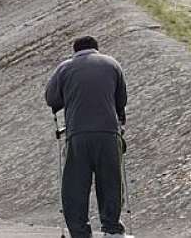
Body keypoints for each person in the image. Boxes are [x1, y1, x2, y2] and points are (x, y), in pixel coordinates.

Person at [45, 36, 128, 238]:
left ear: (75, 51)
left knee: (75, 185)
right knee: (110, 182)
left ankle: (80, 232)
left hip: (78, 134)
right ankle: (112, 229)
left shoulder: (65, 68)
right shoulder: (112, 63)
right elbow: (121, 99)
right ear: (96, 49)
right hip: (108, 133)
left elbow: (51, 98)